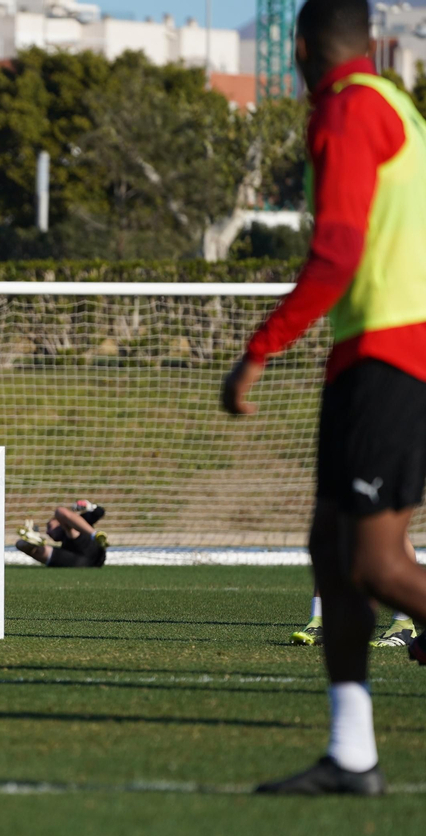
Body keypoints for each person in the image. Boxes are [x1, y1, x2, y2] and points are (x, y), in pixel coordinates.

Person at [221, 0, 426, 795]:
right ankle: (352, 754)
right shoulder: (397, 106)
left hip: (390, 357)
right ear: (371, 42)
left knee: (374, 564)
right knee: (330, 554)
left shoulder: (347, 110)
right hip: (374, 356)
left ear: (302, 48)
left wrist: (258, 350)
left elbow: (336, 250)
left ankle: (353, 752)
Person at [15, 500, 108, 568]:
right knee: (20, 544)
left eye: (49, 527)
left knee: (60, 512)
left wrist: (89, 506)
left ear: (57, 521)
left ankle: (95, 535)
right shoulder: (65, 546)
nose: (48, 532)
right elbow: (20, 545)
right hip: (77, 561)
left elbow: (100, 512)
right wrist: (31, 541)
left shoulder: (80, 521)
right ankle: (33, 543)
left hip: (94, 552)